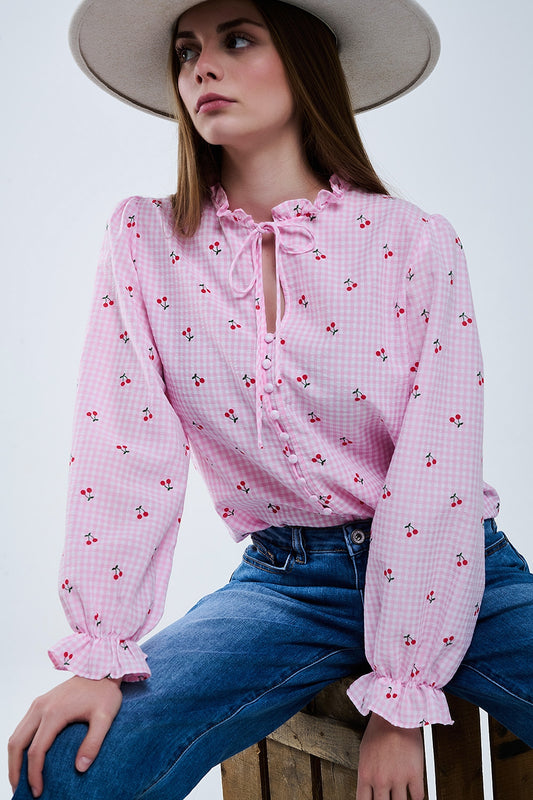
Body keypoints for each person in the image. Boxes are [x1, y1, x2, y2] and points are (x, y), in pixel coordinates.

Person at [8, 0, 533, 798]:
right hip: (289, 586)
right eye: (186, 52)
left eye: (236, 40)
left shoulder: (412, 241)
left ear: (305, 61)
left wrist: (399, 704)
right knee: (70, 767)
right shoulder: (146, 242)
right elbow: (123, 449)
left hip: (456, 570)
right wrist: (99, 651)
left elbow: (436, 467)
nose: (200, 69)